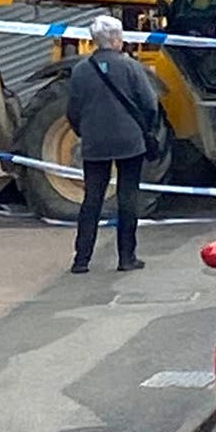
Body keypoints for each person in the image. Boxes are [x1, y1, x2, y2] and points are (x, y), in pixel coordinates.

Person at [67, 15, 159, 274]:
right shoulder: (130, 67)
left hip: (94, 143)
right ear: (117, 39)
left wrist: (84, 132)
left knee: (92, 199)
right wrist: (145, 129)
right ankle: (126, 257)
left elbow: (73, 110)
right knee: (127, 197)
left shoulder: (81, 70)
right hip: (129, 141)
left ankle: (81, 259)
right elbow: (150, 104)